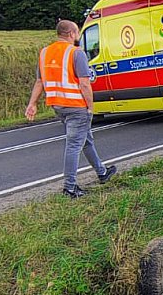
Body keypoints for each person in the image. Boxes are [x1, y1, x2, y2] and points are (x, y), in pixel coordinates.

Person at [25, 20, 116, 198]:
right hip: (76, 106)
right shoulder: (76, 53)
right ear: (72, 34)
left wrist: (32, 103)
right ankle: (70, 187)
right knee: (74, 145)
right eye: (77, 32)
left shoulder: (44, 53)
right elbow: (84, 83)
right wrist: (91, 107)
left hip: (58, 105)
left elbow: (39, 82)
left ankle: (102, 172)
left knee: (85, 139)